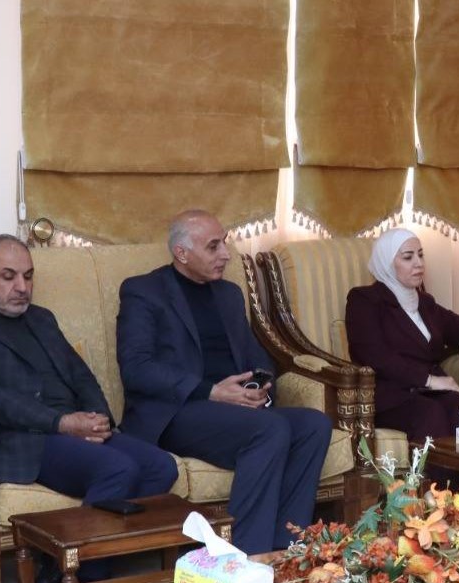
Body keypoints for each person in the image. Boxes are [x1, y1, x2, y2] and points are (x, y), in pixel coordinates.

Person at [0, 234, 178, 583]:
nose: (22, 287)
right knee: (118, 468)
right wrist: (63, 423)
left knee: (161, 466)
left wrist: (98, 419)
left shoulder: (41, 318)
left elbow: (81, 376)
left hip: (74, 428)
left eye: (28, 276)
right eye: (8, 277)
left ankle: (62, 569)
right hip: (23, 438)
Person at [116, 210, 332, 554]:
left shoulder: (229, 294)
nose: (225, 254)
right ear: (181, 253)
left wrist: (259, 390)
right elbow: (136, 368)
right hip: (178, 412)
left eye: (224, 244)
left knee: (314, 425)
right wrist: (213, 391)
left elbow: (255, 356)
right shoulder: (144, 291)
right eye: (213, 246)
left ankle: (287, 550)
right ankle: (245, 556)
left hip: (233, 411)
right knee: (269, 429)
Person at [344, 228, 459, 482]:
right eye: (408, 257)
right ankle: (437, 500)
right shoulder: (365, 300)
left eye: (421, 255)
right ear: (387, 263)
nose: (418, 263)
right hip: (390, 395)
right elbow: (374, 355)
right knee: (430, 414)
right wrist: (430, 380)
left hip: (429, 393)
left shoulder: (425, 303)